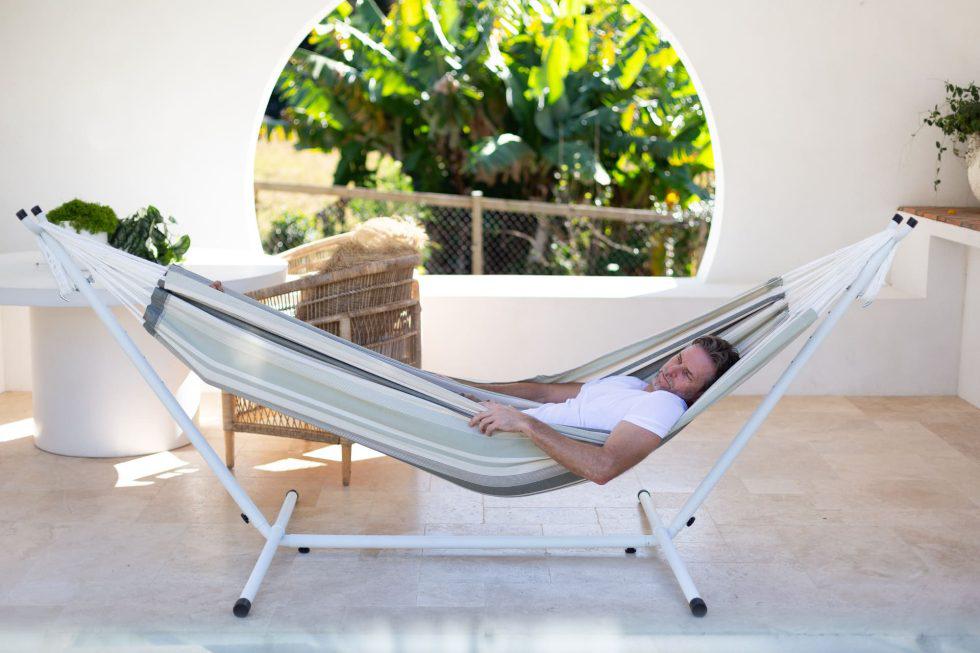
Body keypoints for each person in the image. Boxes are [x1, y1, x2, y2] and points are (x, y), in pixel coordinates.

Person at [466, 336, 739, 485]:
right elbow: (544, 393)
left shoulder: (663, 405)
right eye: (678, 358)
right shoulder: (631, 384)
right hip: (494, 417)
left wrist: (524, 423)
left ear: (700, 394)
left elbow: (603, 468)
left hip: (497, 437)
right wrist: (470, 390)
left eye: (686, 374)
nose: (671, 371)